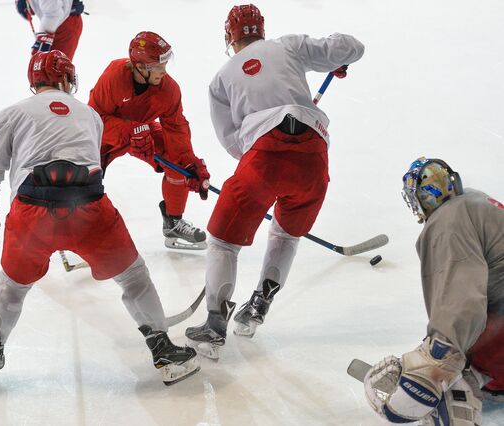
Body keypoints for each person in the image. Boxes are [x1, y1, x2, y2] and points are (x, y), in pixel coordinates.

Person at [0, 50, 199, 393]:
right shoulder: (90, 115)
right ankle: (163, 350)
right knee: (133, 277)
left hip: (32, 213)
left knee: (12, 286)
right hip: (89, 208)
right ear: (66, 79)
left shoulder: (12, 113)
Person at [185, 4, 365, 359]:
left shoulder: (221, 78)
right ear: (261, 29)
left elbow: (231, 140)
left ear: (229, 36)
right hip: (314, 157)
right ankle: (258, 306)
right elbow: (353, 46)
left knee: (222, 242)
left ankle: (215, 324)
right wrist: (335, 59)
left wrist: (263, 166)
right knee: (286, 234)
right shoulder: (289, 46)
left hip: (262, 159)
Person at [363, 157, 504, 425]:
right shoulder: (476, 200)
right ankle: (486, 377)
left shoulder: (447, 219)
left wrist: (434, 361)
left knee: (452, 384)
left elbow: (461, 295)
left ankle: (470, 386)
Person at [88, 31, 210, 250]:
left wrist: (189, 164)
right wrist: (129, 130)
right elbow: (93, 121)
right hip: (108, 133)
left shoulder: (169, 90)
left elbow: (176, 129)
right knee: (82, 170)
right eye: (157, 66)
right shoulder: (114, 76)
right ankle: (76, 225)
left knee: (177, 162)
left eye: (164, 65)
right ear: (139, 66)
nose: (163, 71)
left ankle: (173, 221)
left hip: (142, 131)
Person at [16, 0, 85, 61]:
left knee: (51, 70)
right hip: (58, 21)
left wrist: (44, 40)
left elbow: (53, 13)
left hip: (63, 24)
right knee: (44, 68)